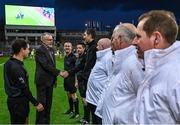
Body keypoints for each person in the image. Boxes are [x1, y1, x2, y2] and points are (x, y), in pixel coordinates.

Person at [133, 10, 180, 124]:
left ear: (156, 38)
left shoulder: (176, 75)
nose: (134, 41)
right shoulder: (157, 68)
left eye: (138, 36)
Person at [100, 23, 144, 124]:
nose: (111, 42)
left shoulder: (135, 63)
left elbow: (146, 104)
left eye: (112, 38)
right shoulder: (122, 60)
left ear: (119, 39)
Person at [4, 39, 44, 124]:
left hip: (13, 101)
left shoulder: (9, 62)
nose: (29, 51)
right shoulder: (16, 67)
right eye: (28, 49)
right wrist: (36, 103)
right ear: (22, 49)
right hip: (19, 103)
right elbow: (24, 88)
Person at [35, 32, 62, 124]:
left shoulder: (51, 50)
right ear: (42, 40)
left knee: (48, 104)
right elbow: (45, 65)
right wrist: (59, 72)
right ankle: (39, 123)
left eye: (52, 39)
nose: (51, 41)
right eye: (49, 39)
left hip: (50, 81)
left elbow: (52, 65)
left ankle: (47, 122)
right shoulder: (39, 50)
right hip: (42, 81)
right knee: (42, 104)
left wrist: (55, 78)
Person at [86, 38, 111, 124]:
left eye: (98, 45)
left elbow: (110, 78)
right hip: (94, 99)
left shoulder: (108, 57)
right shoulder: (102, 56)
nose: (96, 47)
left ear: (102, 46)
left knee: (99, 121)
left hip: (99, 99)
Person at [81, 28, 97, 124]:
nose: (83, 37)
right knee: (89, 103)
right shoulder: (89, 47)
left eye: (85, 35)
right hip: (87, 78)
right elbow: (84, 64)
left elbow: (91, 65)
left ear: (90, 35)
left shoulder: (94, 48)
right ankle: (88, 120)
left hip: (92, 80)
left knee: (93, 104)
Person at [63, 42, 80, 118]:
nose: (67, 47)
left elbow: (77, 70)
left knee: (73, 95)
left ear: (71, 47)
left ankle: (77, 113)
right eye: (65, 46)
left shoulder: (73, 57)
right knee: (68, 94)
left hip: (72, 79)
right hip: (66, 79)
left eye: (68, 46)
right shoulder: (66, 57)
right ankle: (71, 110)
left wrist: (76, 81)